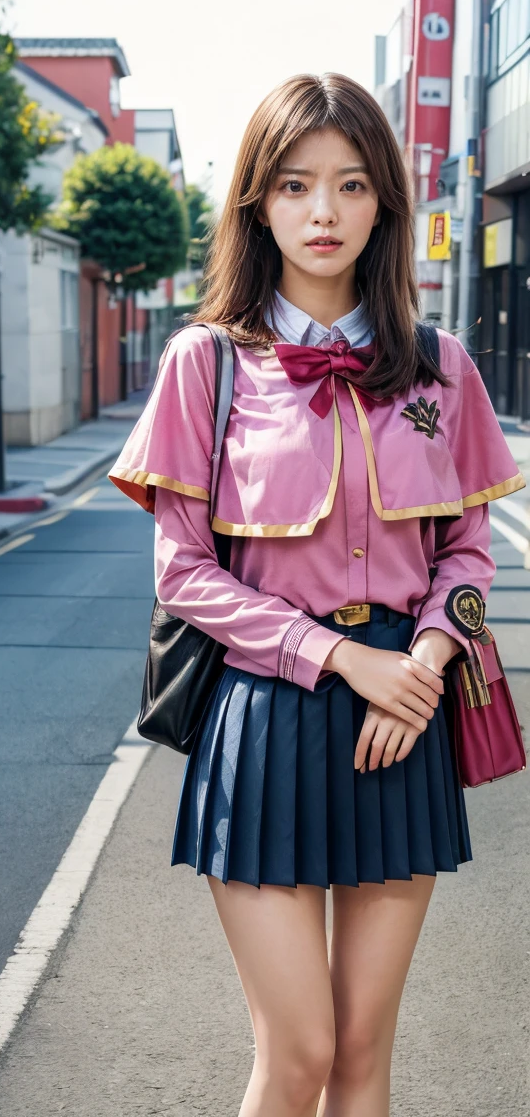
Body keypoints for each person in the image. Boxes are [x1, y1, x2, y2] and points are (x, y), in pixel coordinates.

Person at [107, 72, 525, 1117]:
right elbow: (184, 572)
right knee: (297, 1055)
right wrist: (343, 658)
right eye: (295, 186)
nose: (324, 212)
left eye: (348, 185)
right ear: (258, 201)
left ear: (385, 198)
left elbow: (468, 555)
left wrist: (424, 665)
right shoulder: (206, 363)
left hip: (406, 717)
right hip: (265, 716)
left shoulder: (441, 367)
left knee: (364, 1056)